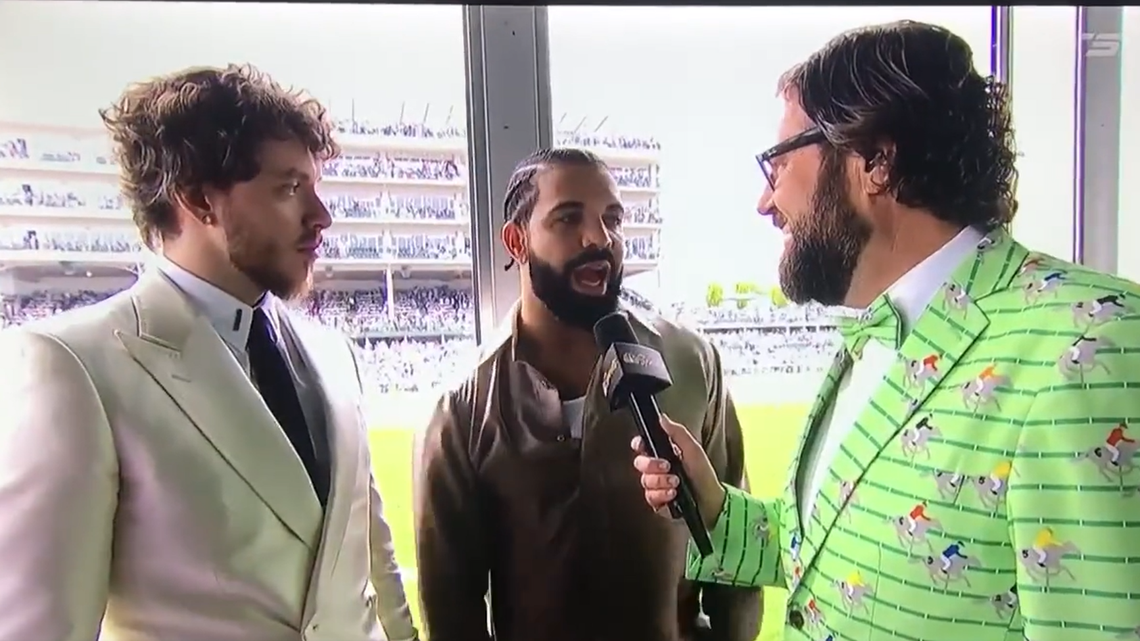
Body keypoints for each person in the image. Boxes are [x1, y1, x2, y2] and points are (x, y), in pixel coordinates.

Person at [631, 20, 1140, 641]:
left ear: (876, 159)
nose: (765, 204)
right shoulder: (875, 339)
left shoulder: (1090, 348)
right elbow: (832, 561)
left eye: (779, 163)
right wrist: (714, 506)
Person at [0, 64, 417, 641]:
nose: (322, 216)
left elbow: (373, 565)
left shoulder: (333, 354)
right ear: (199, 200)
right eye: (290, 188)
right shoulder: (76, 365)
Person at [413, 148, 759, 641]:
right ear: (517, 240)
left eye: (612, 219)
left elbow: (734, 551)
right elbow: (451, 610)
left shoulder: (692, 362)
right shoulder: (463, 406)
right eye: (567, 218)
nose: (600, 237)